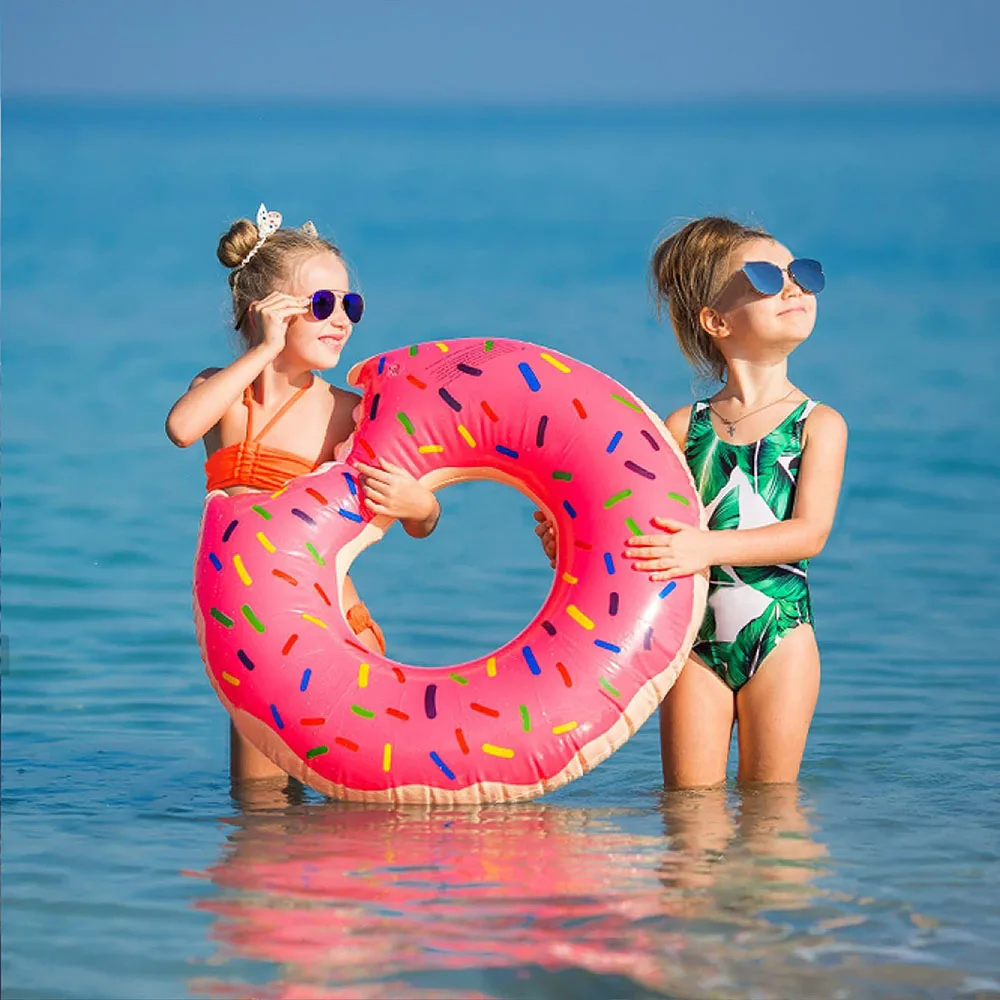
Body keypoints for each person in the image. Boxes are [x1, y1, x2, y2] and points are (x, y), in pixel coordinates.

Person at [536, 216, 847, 788]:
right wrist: (572, 541)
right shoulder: (683, 428)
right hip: (693, 645)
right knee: (688, 816)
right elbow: (645, 537)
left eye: (802, 273)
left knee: (770, 815)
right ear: (716, 321)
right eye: (765, 275)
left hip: (780, 639)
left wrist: (705, 545)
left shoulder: (817, 425)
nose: (794, 286)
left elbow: (810, 533)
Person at [166, 203, 440, 782]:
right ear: (263, 311)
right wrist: (263, 351)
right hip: (253, 638)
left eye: (351, 305)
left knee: (355, 813)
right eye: (321, 305)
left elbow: (419, 513)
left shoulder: (347, 413)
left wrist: (421, 507)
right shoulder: (222, 396)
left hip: (337, 626)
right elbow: (181, 429)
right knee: (260, 816)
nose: (341, 319)